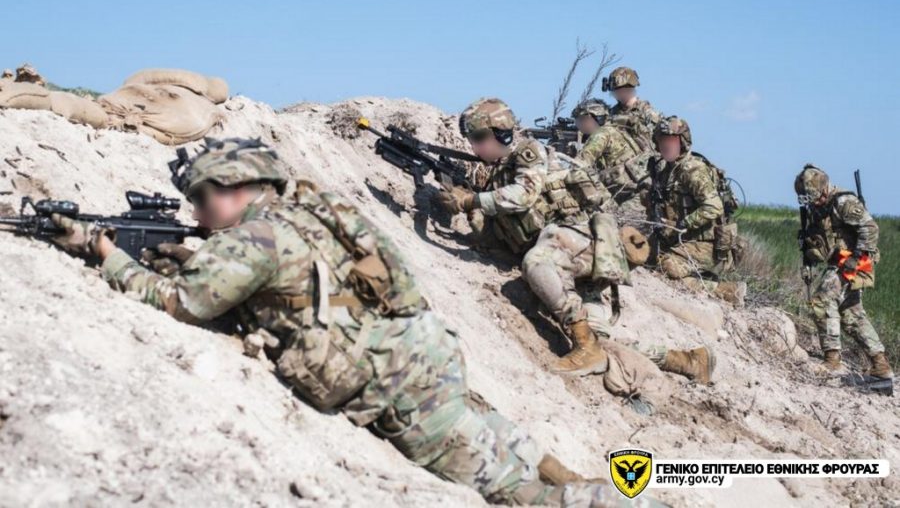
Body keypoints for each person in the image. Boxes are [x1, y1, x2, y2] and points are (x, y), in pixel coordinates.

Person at [47, 137, 667, 508]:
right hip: (426, 352)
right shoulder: (311, 212)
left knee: (514, 492)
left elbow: (182, 304)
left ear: (232, 188)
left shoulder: (255, 238)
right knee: (500, 438)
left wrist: (106, 254)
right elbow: (317, 287)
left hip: (399, 389)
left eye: (201, 198)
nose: (197, 211)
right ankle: (584, 481)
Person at [439, 99, 714, 383]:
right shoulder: (499, 175)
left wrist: (471, 200)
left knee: (536, 262)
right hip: (569, 261)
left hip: (579, 240)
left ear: (501, 133)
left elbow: (524, 195)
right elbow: (500, 237)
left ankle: (585, 346)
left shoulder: (528, 152)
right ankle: (687, 361)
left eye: (478, 138)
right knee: (601, 342)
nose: (474, 147)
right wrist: (469, 210)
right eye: (471, 140)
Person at [795, 164, 894, 379]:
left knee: (822, 300)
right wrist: (809, 262)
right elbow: (818, 238)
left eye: (814, 197)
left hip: (856, 262)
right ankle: (881, 365)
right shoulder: (816, 207)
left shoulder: (843, 202)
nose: (812, 202)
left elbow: (870, 228)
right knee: (851, 314)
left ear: (823, 190)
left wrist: (856, 258)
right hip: (840, 262)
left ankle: (832, 361)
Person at [647, 116, 746, 307]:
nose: (666, 145)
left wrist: (683, 224)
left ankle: (727, 291)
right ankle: (705, 279)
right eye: (662, 140)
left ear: (683, 142)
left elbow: (713, 206)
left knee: (667, 267)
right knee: (645, 259)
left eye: (671, 140)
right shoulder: (667, 171)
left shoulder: (693, 170)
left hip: (708, 245)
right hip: (684, 241)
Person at [572, 98, 652, 211]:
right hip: (637, 193)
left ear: (590, 119)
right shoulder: (615, 130)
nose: (578, 126)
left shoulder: (601, 134)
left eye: (580, 121)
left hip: (632, 198)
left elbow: (580, 164)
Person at [602, 66, 662, 152]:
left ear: (631, 88)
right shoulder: (611, 114)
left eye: (623, 90)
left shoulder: (647, 112)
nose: (619, 94)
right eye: (616, 91)